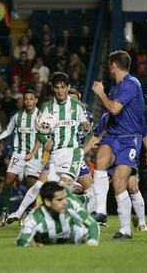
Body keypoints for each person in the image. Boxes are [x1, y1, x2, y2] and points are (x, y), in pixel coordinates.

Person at [6, 72, 90, 224]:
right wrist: (45, 142)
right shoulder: (47, 108)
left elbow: (85, 128)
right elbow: (39, 133)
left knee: (62, 187)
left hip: (72, 152)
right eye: (56, 87)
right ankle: (18, 213)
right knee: (39, 185)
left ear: (68, 87)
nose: (59, 90)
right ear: (52, 88)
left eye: (63, 87)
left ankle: (67, 217)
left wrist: (86, 127)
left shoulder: (76, 106)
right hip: (55, 154)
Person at [91, 50, 146, 239]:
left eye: (109, 65)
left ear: (114, 66)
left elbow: (114, 109)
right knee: (100, 158)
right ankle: (100, 210)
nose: (108, 69)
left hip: (130, 139)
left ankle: (125, 229)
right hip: (114, 136)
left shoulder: (131, 84)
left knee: (120, 183)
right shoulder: (116, 86)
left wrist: (100, 94)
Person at [84, 110, 147, 231]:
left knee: (132, 187)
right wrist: (82, 152)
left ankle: (142, 224)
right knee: (103, 180)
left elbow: (145, 135)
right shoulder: (106, 117)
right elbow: (95, 137)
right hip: (111, 154)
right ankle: (101, 212)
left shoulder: (134, 114)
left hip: (127, 153)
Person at [0, 90, 42, 226]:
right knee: (8, 181)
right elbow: (8, 130)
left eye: (31, 99)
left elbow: (45, 136)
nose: (28, 101)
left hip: (35, 155)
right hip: (19, 154)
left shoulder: (42, 116)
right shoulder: (18, 116)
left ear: (36, 100)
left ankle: (26, 213)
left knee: (32, 187)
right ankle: (4, 211)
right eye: (25, 99)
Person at [16, 182, 99, 247]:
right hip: (48, 240)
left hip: (73, 236)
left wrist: (92, 241)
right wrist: (32, 244)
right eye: (59, 200)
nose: (65, 202)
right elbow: (22, 240)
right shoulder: (34, 218)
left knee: (81, 231)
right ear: (47, 202)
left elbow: (92, 223)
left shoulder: (71, 205)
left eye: (65, 198)